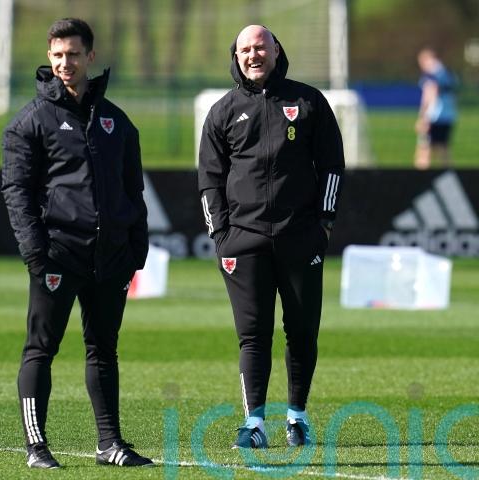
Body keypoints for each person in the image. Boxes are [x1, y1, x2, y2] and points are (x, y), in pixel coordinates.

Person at [1, 18, 153, 469]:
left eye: (72, 54)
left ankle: (110, 444)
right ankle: (36, 446)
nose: (64, 63)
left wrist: (136, 247)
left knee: (104, 350)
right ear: (49, 58)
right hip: (57, 255)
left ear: (90, 56)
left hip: (110, 258)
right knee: (41, 348)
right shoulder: (30, 122)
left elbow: (133, 190)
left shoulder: (117, 121)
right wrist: (36, 251)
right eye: (57, 55)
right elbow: (16, 191)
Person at [198, 25, 344, 449]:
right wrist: (220, 234)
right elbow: (209, 179)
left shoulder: (309, 101)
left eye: (260, 47)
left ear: (276, 50)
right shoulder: (223, 111)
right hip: (243, 241)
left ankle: (297, 417)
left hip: (300, 237)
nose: (253, 55)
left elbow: (332, 166)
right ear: (236, 56)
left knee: (302, 331)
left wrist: (324, 224)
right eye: (245, 49)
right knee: (253, 334)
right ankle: (254, 423)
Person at [414, 48, 457, 169]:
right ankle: (450, 175)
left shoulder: (430, 75)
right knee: (443, 149)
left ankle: (419, 177)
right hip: (448, 116)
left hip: (433, 117)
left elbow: (430, 96)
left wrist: (423, 118)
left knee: (423, 150)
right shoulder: (447, 73)